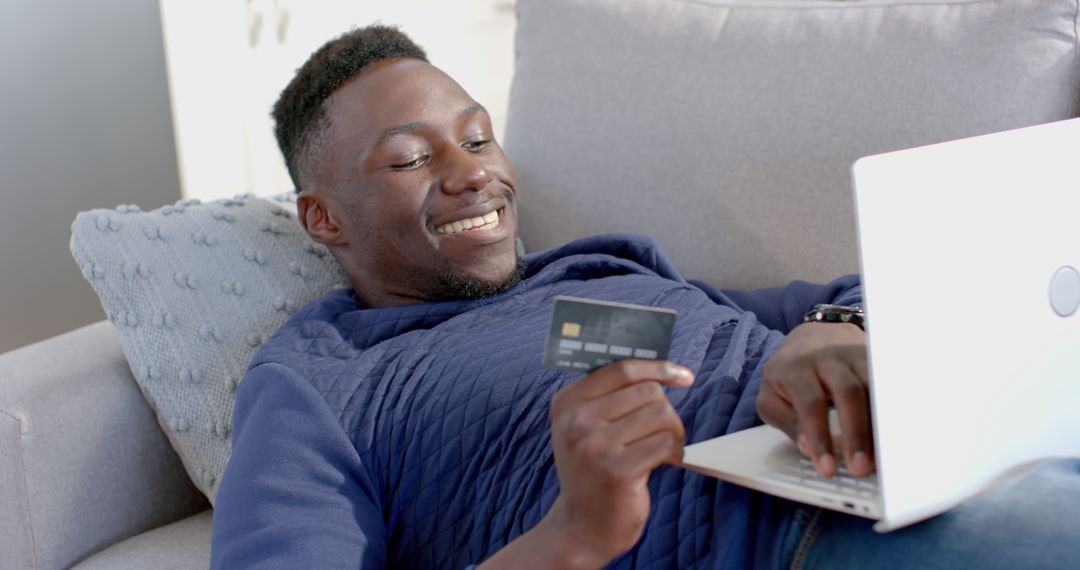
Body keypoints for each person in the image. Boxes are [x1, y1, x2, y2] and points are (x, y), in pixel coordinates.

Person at [210, 26, 1079, 569]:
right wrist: (575, 535)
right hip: (785, 537)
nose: (472, 170)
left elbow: (871, 288)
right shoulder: (323, 382)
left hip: (929, 454)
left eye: (477, 137)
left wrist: (828, 332)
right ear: (323, 218)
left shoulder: (596, 270)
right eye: (411, 158)